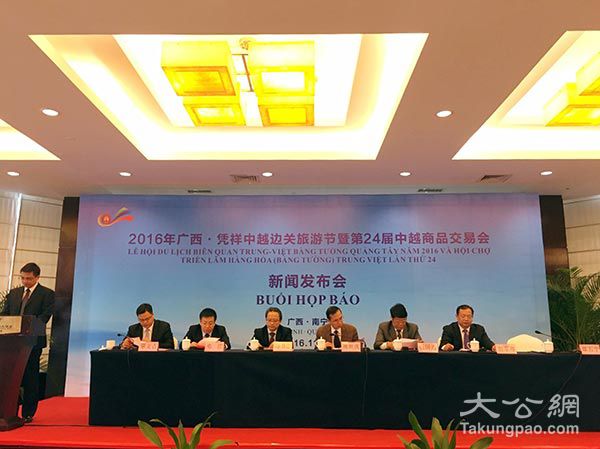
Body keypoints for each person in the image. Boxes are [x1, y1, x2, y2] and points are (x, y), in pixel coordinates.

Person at [1, 262, 55, 423]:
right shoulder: (14, 293)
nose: (25, 281)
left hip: (32, 343)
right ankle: (9, 411)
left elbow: (44, 318)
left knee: (31, 377)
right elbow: (5, 314)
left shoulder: (47, 294)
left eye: (29, 278)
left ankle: (28, 413)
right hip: (11, 343)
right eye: (23, 278)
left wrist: (27, 328)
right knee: (10, 378)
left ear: (37, 277)